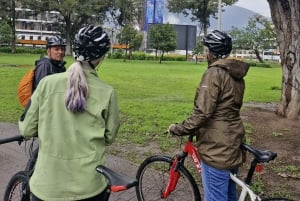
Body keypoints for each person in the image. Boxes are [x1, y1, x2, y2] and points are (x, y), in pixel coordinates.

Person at [19, 25, 120, 201]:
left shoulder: (47, 85)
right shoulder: (107, 92)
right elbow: (109, 136)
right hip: (89, 186)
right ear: (101, 57)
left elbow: (27, 129)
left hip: (47, 187)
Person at [168, 30, 249, 201]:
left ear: (212, 52)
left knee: (215, 197)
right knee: (229, 193)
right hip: (233, 140)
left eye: (206, 50)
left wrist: (178, 128)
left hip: (216, 147)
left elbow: (203, 113)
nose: (205, 53)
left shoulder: (214, 73)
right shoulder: (236, 74)